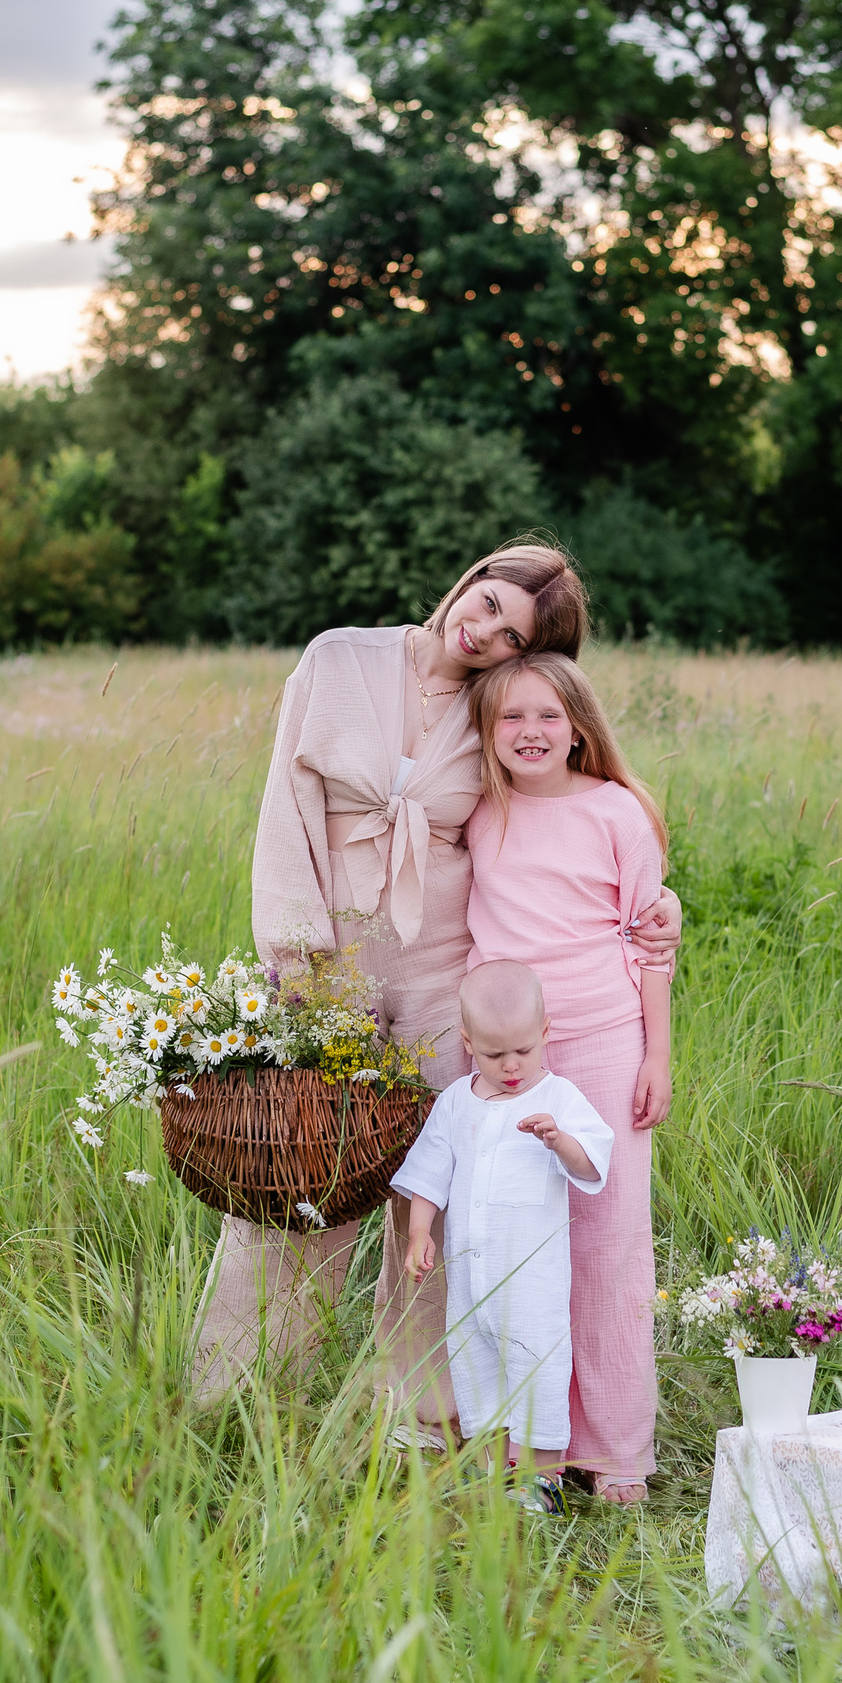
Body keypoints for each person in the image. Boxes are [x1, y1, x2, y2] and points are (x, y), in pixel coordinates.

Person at [198, 540, 683, 1437]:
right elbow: (284, 812)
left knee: (439, 1182)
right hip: (329, 960)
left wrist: (658, 906)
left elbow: (567, 817)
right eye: (491, 601)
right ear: (473, 577)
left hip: (441, 963)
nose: (486, 629)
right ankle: (235, 1395)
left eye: (512, 635)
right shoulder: (338, 657)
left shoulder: (496, 709)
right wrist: (303, 964)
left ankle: (419, 1413)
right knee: (303, 1169)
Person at [461, 650, 672, 1505]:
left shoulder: (618, 811)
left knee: (609, 1240)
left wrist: (658, 1053)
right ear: (488, 730)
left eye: (548, 715)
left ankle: (615, 1446)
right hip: (508, 1054)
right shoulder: (479, 811)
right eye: (511, 717)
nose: (531, 732)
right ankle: (522, 1436)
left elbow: (653, 942)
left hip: (603, 1037)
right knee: (511, 1243)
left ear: (579, 724)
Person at [390, 961, 615, 1514]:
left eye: (522, 1051)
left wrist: (558, 1141)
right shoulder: (456, 1104)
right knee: (477, 1369)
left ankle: (540, 1486)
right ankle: (492, 1477)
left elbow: (592, 1164)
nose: (511, 1067)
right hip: (472, 1278)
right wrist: (420, 1231)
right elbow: (429, 1174)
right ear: (468, 1044)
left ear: (544, 1033)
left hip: (531, 1282)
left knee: (537, 1368)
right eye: (494, 1056)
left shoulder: (558, 1097)